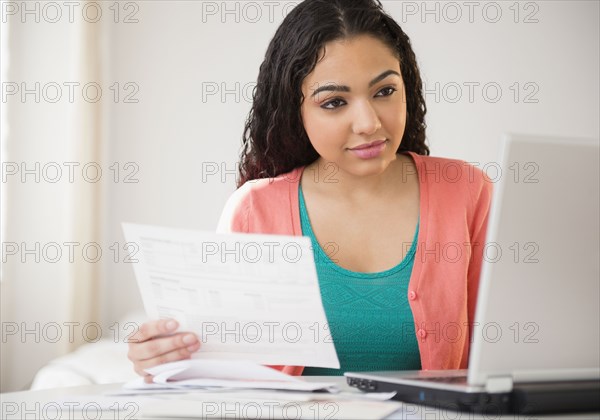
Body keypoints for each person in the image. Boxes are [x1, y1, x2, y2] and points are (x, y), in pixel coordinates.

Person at [127, 0, 493, 381]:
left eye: (384, 91)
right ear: (294, 111)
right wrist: (165, 358)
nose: (368, 123)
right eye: (334, 102)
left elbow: (508, 355)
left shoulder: (467, 192)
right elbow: (220, 374)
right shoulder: (255, 208)